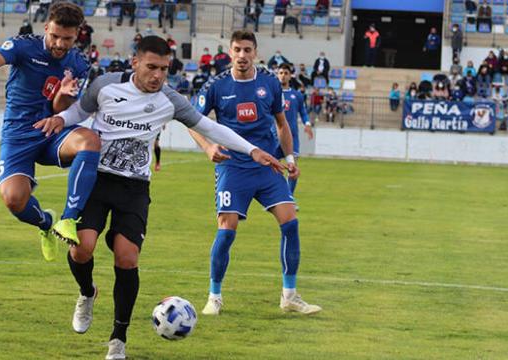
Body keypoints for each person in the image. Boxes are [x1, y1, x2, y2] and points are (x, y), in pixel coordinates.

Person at [33, 35, 283, 360]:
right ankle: (86, 293)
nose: (157, 75)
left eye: (164, 69)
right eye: (151, 67)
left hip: (134, 188)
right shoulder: (106, 85)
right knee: (82, 250)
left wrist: (253, 150)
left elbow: (209, 126)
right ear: (135, 62)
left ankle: (117, 340)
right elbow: (80, 110)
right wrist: (59, 118)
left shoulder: (170, 100)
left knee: (127, 258)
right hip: (97, 179)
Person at [0, 2, 100, 260]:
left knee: (89, 140)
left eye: (67, 38)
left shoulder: (79, 64)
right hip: (18, 133)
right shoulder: (23, 45)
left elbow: (59, 109)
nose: (59, 44)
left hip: (52, 131)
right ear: (46, 28)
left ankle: (68, 219)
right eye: (54, 36)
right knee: (14, 200)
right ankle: (46, 222)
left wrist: (64, 95)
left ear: (77, 35)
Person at [190, 30, 322, 316]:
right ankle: (214, 296)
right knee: (227, 231)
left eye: (247, 50)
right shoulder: (215, 86)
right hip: (232, 167)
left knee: (290, 222)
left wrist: (289, 158)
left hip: (267, 166)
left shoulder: (270, 82)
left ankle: (289, 295)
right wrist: (208, 147)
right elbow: (192, 121)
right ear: (230, 51)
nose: (242, 55)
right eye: (237, 49)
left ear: (256, 53)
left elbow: (282, 124)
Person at [275, 64, 313, 204]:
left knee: (293, 168)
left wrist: (307, 125)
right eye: (281, 72)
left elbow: (303, 112)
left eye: (286, 72)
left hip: (292, 138)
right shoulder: (272, 94)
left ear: (290, 75)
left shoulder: (296, 95)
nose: (283, 75)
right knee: (274, 169)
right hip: (274, 138)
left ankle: (288, 198)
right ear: (277, 74)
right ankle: (277, 197)